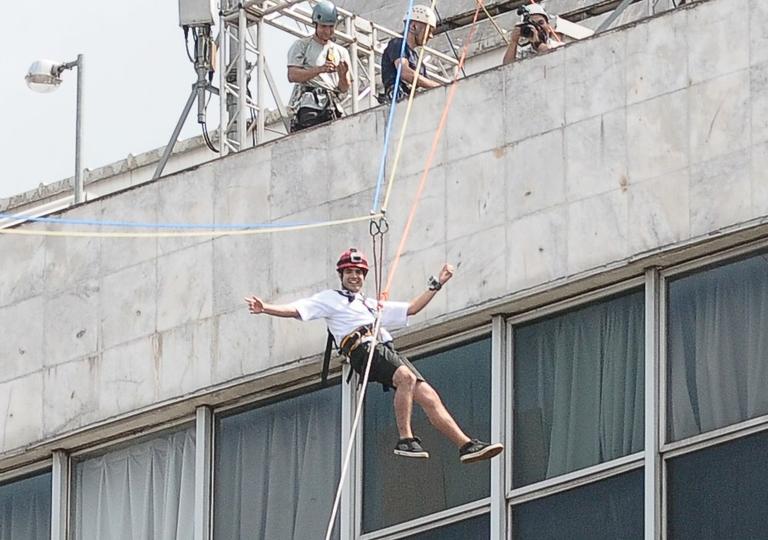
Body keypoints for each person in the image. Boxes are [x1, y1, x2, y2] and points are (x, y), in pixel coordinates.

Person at [244, 248, 504, 464]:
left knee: (429, 396)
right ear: (341, 275)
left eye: (358, 272)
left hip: (382, 348)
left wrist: (438, 282)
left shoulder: (371, 305)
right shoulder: (331, 299)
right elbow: (297, 310)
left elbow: (412, 309)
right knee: (405, 378)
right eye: (349, 272)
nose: (354, 276)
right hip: (361, 347)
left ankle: (465, 445)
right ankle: (405, 438)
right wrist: (266, 307)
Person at [286, 0, 351, 132]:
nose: (327, 31)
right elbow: (292, 75)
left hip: (332, 105)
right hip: (309, 104)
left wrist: (342, 75)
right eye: (323, 26)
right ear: (315, 25)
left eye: (331, 27)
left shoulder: (341, 52)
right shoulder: (302, 45)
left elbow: (344, 88)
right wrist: (319, 70)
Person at [380, 5, 442, 103]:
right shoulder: (397, 44)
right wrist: (441, 87)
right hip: (399, 101)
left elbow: (425, 83)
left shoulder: (418, 61)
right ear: (413, 27)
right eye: (428, 30)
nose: (431, 36)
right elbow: (405, 73)